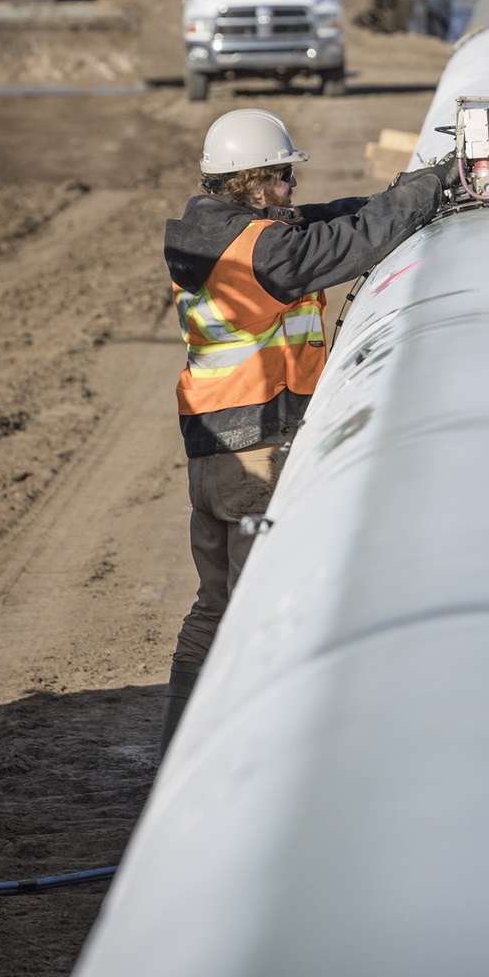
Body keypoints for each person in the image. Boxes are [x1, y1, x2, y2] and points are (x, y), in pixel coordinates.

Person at [159, 108, 450, 756]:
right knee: (260, 612)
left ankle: (175, 758)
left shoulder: (216, 233)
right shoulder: (261, 249)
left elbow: (333, 218)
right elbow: (346, 244)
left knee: (213, 610)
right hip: (257, 453)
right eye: (285, 179)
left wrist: (406, 194)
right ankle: (242, 758)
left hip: (213, 452)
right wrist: (432, 190)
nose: (293, 190)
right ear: (256, 182)